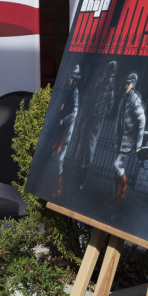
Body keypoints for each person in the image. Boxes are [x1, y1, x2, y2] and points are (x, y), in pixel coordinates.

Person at [74, 60, 116, 191]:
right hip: (89, 117)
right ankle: (76, 175)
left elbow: (109, 108)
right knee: (82, 145)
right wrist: (84, 117)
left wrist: (100, 111)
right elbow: (91, 100)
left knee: (89, 149)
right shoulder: (99, 85)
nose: (110, 76)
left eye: (112, 74)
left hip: (96, 121)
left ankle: (82, 179)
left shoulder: (110, 90)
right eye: (110, 73)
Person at [110, 71, 145, 205]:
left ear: (133, 84)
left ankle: (124, 187)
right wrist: (116, 137)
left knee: (117, 165)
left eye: (128, 84)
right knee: (116, 170)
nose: (126, 86)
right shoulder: (124, 99)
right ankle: (117, 197)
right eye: (125, 83)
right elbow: (119, 120)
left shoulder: (135, 100)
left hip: (129, 140)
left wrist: (139, 144)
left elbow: (142, 121)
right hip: (120, 139)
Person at [49, 65, 81, 197]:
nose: (68, 79)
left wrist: (64, 119)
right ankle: (52, 185)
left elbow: (74, 111)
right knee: (53, 156)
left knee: (59, 160)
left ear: (74, 79)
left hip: (66, 130)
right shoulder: (70, 90)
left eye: (70, 78)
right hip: (62, 129)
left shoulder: (75, 92)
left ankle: (59, 189)